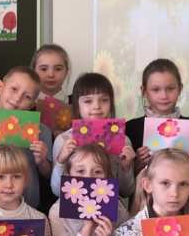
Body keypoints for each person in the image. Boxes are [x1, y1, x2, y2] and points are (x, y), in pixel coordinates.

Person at [50, 73, 136, 218]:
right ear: (77, 105)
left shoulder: (123, 141)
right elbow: (57, 191)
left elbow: (126, 191)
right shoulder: (64, 140)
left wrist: (126, 168)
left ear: (111, 103)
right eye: (88, 101)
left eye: (104, 100)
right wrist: (61, 161)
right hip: (73, 215)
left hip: (109, 214)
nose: (97, 106)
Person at [0, 66, 52, 213]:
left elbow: (47, 175)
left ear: (33, 104)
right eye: (14, 89)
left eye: (27, 97)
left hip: (28, 209)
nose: (17, 98)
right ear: (0, 87)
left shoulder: (41, 131)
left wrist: (42, 161)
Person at [125, 59, 189, 173]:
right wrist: (136, 165)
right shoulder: (131, 128)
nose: (164, 96)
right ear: (144, 91)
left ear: (180, 89)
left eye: (170, 89)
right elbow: (123, 176)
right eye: (156, 90)